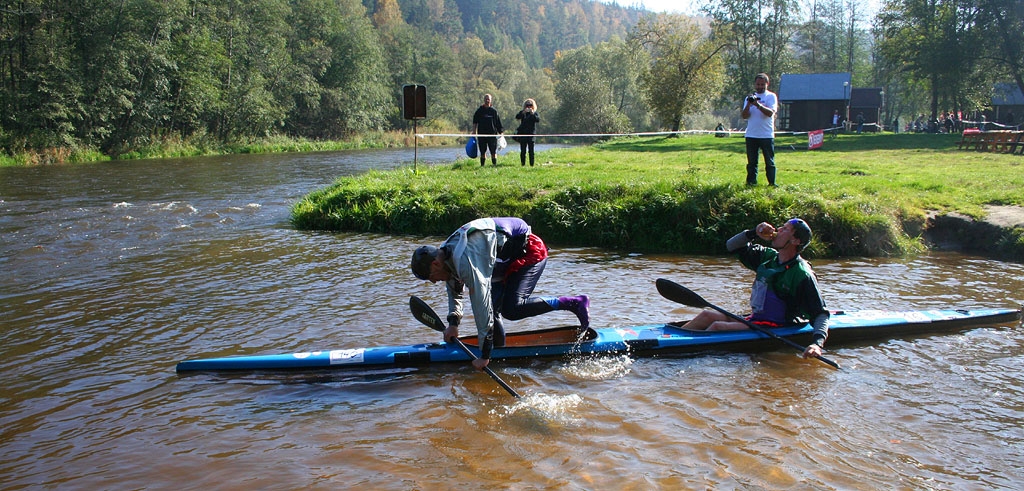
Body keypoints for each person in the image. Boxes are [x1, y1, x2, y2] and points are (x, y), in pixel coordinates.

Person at [410, 217, 590, 370]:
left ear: (435, 264)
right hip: (498, 260)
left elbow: (481, 305)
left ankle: (573, 302)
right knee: (494, 314)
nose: (433, 281)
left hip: (528, 251)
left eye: (431, 277)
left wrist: (484, 354)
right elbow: (454, 288)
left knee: (511, 309)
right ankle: (501, 356)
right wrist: (453, 323)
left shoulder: (464, 260)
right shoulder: (445, 255)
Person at [681, 218, 829, 360]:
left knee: (717, 326)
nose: (778, 229)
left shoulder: (802, 274)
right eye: (781, 226)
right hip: (757, 318)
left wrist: (816, 344)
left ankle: (682, 353)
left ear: (796, 241)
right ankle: (677, 338)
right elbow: (731, 245)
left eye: (785, 229)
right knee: (707, 315)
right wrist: (753, 233)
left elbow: (820, 313)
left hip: (778, 324)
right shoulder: (768, 257)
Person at [741, 73, 778, 186]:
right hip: (751, 135)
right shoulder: (749, 98)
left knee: (769, 162)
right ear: (755, 84)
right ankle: (751, 183)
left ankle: (772, 183)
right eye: (758, 84)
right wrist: (748, 104)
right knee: (752, 162)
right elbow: (744, 116)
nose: (760, 86)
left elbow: (770, 113)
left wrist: (758, 105)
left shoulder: (771, 96)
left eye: (762, 84)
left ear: (767, 84)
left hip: (766, 135)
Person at [472, 94, 504, 166]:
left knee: (493, 151)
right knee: (482, 151)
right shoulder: (479, 111)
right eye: (486, 99)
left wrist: (501, 133)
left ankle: (494, 165)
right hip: (482, 134)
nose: (487, 100)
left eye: (488, 99)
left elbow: (498, 123)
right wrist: (474, 131)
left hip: (492, 134)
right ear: (484, 100)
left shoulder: (494, 111)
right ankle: (482, 165)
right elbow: (475, 122)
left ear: (491, 100)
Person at [514, 99, 540, 166]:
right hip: (523, 134)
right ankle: (523, 164)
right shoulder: (523, 113)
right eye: (527, 105)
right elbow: (517, 117)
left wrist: (532, 113)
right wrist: (523, 112)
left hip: (531, 134)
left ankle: (532, 165)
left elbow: (537, 120)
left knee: (531, 151)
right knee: (523, 151)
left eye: (530, 105)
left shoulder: (535, 113)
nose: (528, 107)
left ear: (533, 106)